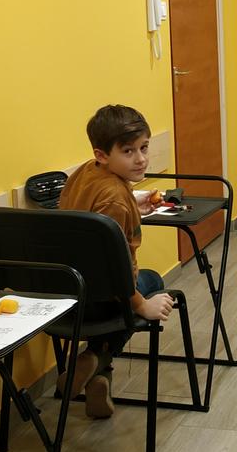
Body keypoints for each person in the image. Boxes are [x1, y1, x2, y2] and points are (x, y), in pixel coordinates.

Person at [58, 104, 175, 418]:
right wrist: (142, 305)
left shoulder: (87, 172)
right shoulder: (116, 200)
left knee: (133, 286)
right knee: (152, 281)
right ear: (103, 154)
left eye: (144, 147)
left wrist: (132, 205)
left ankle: (99, 378)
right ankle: (97, 357)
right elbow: (114, 271)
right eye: (128, 151)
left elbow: (94, 214)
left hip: (67, 291)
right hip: (100, 296)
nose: (141, 159)